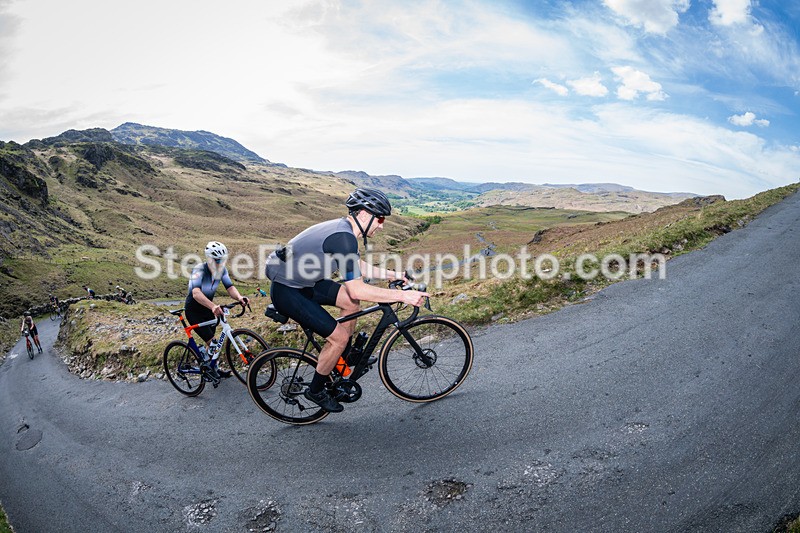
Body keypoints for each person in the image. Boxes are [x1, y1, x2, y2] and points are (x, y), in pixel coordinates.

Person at [265, 188, 429, 413]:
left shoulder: (346, 232)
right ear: (364, 214)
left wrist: (394, 275)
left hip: (305, 282)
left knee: (351, 303)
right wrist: (403, 295)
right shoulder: (343, 237)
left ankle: (344, 357)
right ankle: (316, 390)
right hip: (287, 290)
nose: (382, 225)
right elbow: (358, 288)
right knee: (339, 336)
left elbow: (357, 266)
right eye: (380, 219)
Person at [185, 241, 249, 379]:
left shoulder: (222, 271)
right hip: (194, 310)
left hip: (208, 309)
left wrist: (239, 297)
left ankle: (210, 368)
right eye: (218, 260)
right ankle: (210, 368)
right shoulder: (199, 270)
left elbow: (230, 287)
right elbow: (196, 293)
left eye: (223, 259)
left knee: (213, 344)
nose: (221, 263)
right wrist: (213, 306)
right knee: (213, 342)